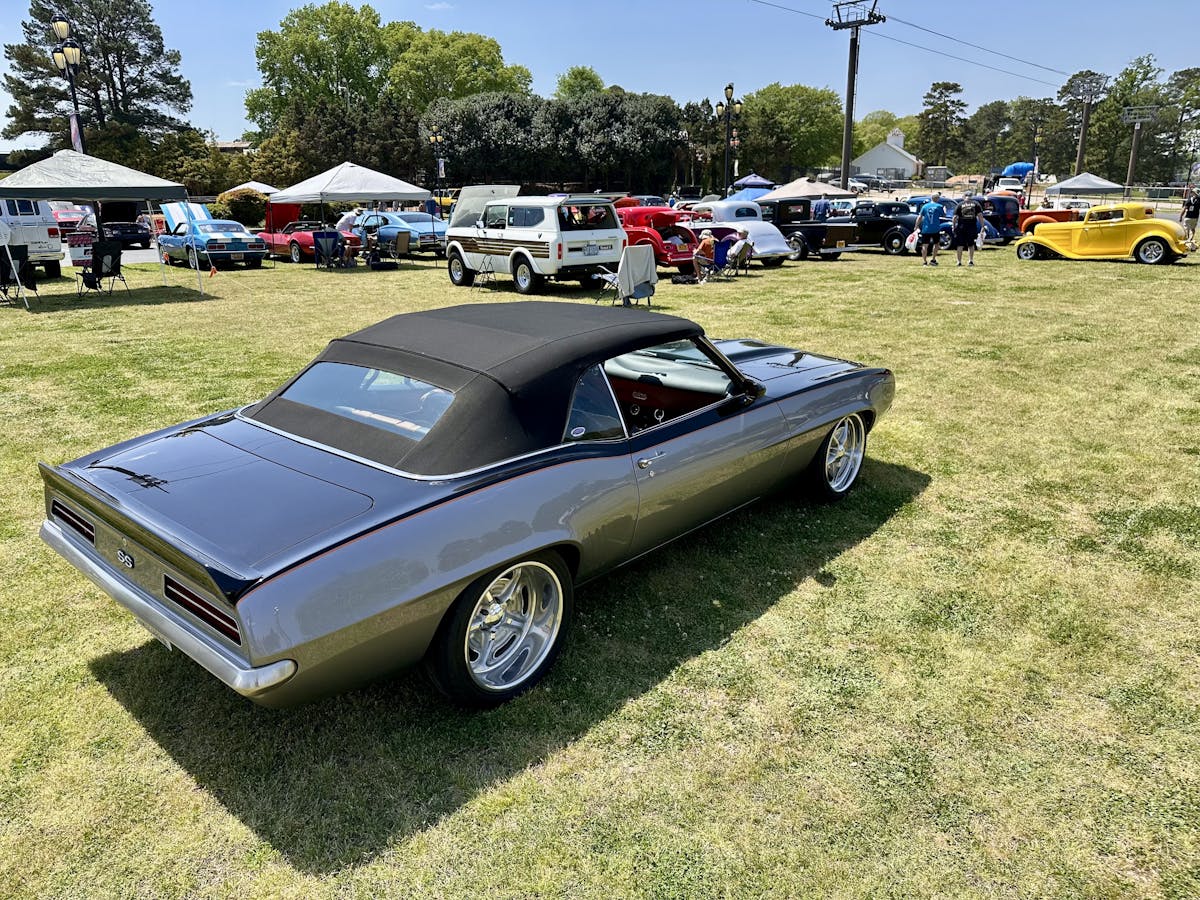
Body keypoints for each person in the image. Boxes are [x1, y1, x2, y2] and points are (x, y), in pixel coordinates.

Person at [952, 194, 983, 266]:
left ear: (964, 198)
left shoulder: (960, 204)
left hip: (961, 227)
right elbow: (980, 216)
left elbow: (954, 217)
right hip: (971, 227)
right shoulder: (976, 204)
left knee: (960, 245)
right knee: (971, 244)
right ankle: (970, 260)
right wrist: (982, 226)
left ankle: (959, 261)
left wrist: (953, 226)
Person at [916, 192, 944, 266]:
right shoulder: (939, 206)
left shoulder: (925, 206)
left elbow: (919, 217)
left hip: (926, 228)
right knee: (936, 244)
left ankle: (924, 261)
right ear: (937, 198)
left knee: (925, 245)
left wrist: (916, 226)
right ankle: (933, 259)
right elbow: (943, 214)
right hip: (935, 228)